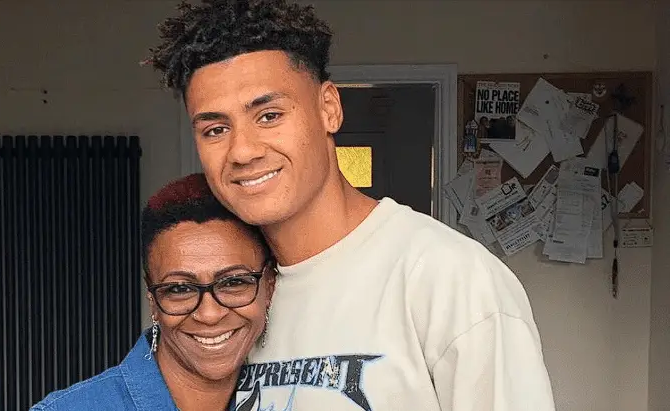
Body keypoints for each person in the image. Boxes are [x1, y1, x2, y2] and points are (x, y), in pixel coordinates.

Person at [145, 1, 556, 410]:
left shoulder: (448, 278)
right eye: (216, 129)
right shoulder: (229, 297)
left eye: (269, 115)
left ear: (329, 108)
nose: (243, 151)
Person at [30, 173, 276, 411]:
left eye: (233, 282)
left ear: (269, 284)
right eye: (179, 288)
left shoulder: (297, 398)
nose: (209, 314)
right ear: (152, 299)